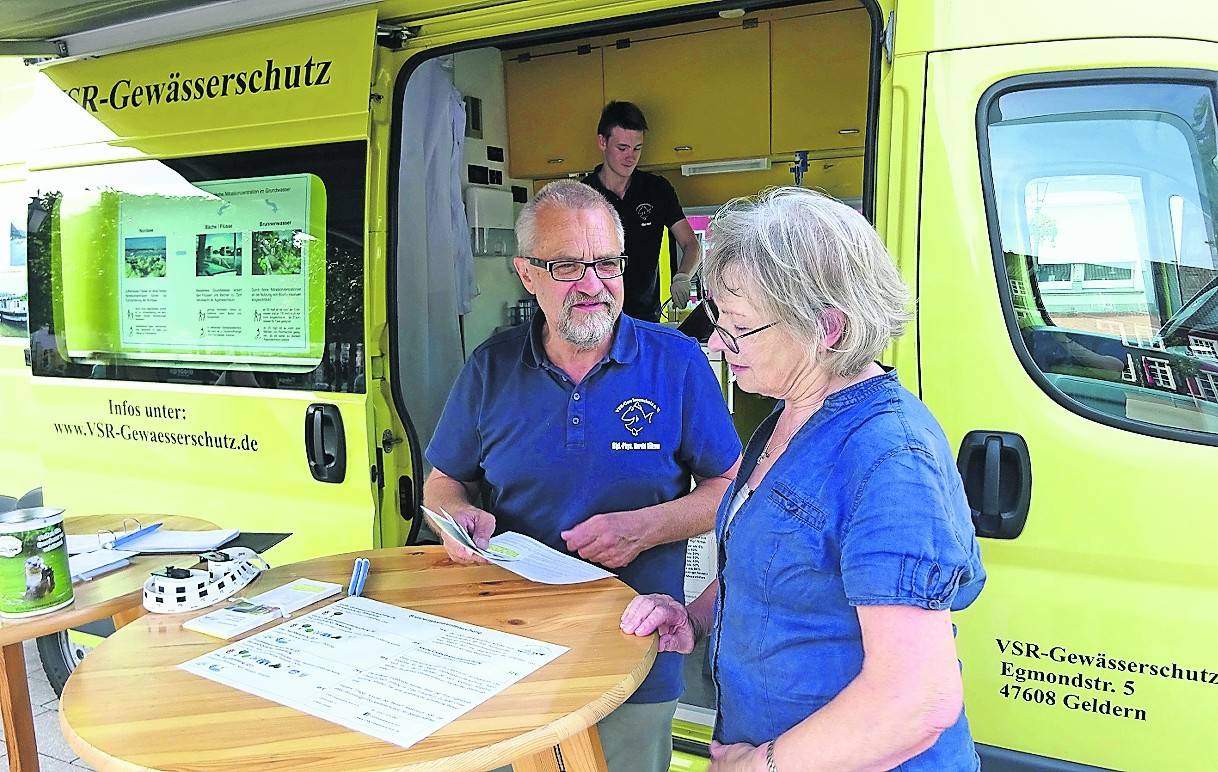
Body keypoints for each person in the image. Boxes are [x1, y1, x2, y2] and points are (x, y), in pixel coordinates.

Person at [620, 187, 987, 771]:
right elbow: (776, 564)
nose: (717, 343)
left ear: (829, 329)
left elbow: (917, 699)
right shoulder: (790, 414)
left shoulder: (890, 457)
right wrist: (694, 617)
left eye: (738, 326)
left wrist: (759, 766)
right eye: (719, 319)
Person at [423, 179, 742, 772]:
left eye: (607, 263)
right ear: (526, 273)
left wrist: (644, 529)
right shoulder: (491, 366)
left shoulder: (677, 361)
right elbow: (443, 484)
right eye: (568, 266)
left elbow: (730, 490)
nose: (593, 285)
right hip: (507, 648)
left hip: (633, 652)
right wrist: (455, 519)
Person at [583, 101, 702, 322]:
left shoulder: (657, 189)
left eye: (637, 148)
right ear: (602, 142)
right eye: (622, 148)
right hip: (597, 314)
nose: (631, 157)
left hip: (646, 316)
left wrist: (683, 276)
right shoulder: (583, 195)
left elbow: (691, 244)